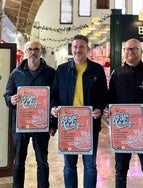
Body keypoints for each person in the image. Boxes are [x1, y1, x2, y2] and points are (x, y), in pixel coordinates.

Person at [104, 38, 143, 188]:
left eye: (133, 49)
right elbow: (110, 97)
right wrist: (108, 109)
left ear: (140, 52)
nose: (130, 52)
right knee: (120, 172)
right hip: (122, 131)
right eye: (127, 49)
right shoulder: (117, 73)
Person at [50, 34, 108, 188]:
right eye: (75, 46)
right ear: (71, 48)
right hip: (68, 125)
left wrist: (100, 108)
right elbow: (54, 93)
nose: (77, 50)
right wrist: (53, 108)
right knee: (69, 165)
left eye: (81, 46)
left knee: (90, 166)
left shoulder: (97, 70)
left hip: (89, 125)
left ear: (87, 49)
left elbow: (104, 95)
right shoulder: (62, 70)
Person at [3, 41, 56, 188]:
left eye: (36, 49)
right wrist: (11, 99)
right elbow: (7, 95)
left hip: (41, 125)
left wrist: (53, 124)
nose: (33, 52)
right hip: (21, 125)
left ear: (41, 51)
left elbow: (55, 98)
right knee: (19, 162)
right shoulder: (16, 73)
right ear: (26, 52)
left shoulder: (50, 73)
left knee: (42, 162)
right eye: (30, 49)